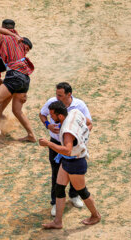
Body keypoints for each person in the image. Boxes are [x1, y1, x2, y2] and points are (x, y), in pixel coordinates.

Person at [39, 101, 101, 229]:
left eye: (52, 115)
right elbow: (89, 124)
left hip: (75, 163)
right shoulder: (75, 112)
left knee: (82, 192)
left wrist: (49, 144)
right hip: (69, 160)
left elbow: (67, 150)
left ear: (60, 116)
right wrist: (83, 135)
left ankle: (95, 215)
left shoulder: (67, 131)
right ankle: (58, 222)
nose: (51, 118)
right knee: (59, 188)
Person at [39, 82, 93, 216]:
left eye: (60, 95)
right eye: (56, 94)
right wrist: (48, 125)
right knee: (57, 175)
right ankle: (55, 204)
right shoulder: (54, 103)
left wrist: (79, 136)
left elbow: (89, 123)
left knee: (77, 180)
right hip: (57, 143)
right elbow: (42, 114)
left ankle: (75, 197)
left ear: (69, 94)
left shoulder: (79, 106)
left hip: (70, 148)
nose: (56, 97)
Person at [0, 27, 36, 142]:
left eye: (27, 50)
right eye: (26, 48)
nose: (25, 51)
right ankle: (31, 135)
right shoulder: (17, 47)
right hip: (25, 79)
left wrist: (13, 36)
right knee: (17, 110)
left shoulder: (11, 41)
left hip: (15, 76)